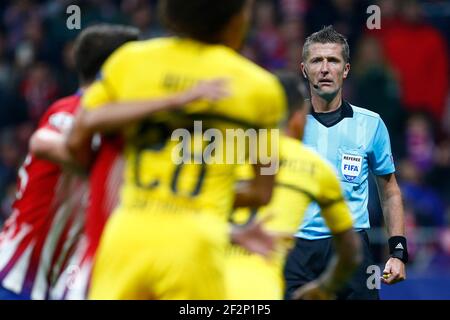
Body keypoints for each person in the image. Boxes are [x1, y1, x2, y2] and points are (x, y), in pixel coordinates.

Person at [67, 0, 286, 299]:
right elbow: (263, 191)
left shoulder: (129, 61)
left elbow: (77, 136)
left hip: (128, 232)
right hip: (196, 244)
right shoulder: (261, 89)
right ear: (237, 21)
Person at [0, 24, 140, 300]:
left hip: (65, 281)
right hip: (20, 276)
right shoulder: (70, 111)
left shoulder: (117, 126)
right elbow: (43, 143)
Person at [284, 25, 407, 300]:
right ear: (304, 69)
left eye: (333, 60)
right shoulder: (286, 125)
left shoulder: (371, 123)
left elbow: (390, 192)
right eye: (317, 60)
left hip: (352, 248)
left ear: (346, 69)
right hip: (296, 251)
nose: (325, 68)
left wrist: (398, 252)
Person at [225, 73, 362, 300]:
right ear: (298, 119)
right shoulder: (316, 168)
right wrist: (325, 287)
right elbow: (351, 253)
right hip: (258, 290)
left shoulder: (222, 153)